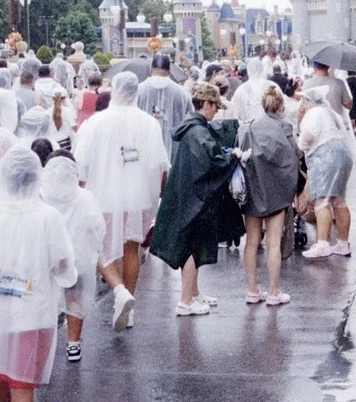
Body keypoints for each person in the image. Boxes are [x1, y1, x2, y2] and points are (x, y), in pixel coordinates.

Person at [0, 146, 77, 402]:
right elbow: (64, 267)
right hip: (32, 312)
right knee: (22, 384)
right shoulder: (48, 217)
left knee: (2, 377)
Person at [74, 72, 170, 332]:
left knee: (97, 246)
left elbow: (81, 163)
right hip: (138, 195)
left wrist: (80, 191)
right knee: (131, 248)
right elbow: (160, 164)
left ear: (114, 89)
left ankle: (119, 291)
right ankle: (128, 305)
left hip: (102, 195)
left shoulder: (96, 123)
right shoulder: (148, 124)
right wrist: (158, 192)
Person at [150, 82, 244, 316]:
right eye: (216, 107)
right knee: (192, 245)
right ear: (207, 104)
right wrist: (233, 156)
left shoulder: (192, 127)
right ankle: (185, 300)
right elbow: (213, 163)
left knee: (193, 243)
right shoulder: (198, 132)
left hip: (187, 194)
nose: (217, 111)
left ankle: (193, 293)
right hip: (196, 197)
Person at [41, 153, 105, 361]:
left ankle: (45, 346)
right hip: (77, 259)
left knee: (46, 302)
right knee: (75, 300)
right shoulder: (84, 196)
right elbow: (98, 228)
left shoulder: (40, 195)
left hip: (46, 260)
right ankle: (73, 345)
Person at [240, 84, 299, 304]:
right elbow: (295, 154)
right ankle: (274, 292)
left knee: (251, 241)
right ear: (281, 106)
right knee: (274, 243)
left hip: (252, 188)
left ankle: (252, 290)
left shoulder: (248, 126)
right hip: (277, 189)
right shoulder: (284, 127)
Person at [298, 86, 354, 259]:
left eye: (304, 101)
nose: (302, 105)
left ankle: (322, 244)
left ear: (310, 101)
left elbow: (308, 136)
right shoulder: (331, 113)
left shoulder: (314, 113)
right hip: (343, 155)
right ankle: (343, 243)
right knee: (339, 200)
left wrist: (300, 145)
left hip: (325, 157)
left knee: (322, 201)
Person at [137, 53, 193, 161]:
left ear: (150, 69)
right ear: (169, 70)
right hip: (175, 153)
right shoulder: (181, 93)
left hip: (145, 152)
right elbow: (190, 119)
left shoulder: (139, 91)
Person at [229, 57, 275, 123]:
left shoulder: (240, 90)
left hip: (247, 126)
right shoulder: (272, 86)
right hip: (271, 126)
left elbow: (234, 112)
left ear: (248, 71)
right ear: (262, 69)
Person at [46, 86, 75, 151]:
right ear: (64, 99)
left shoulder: (47, 112)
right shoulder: (68, 111)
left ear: (52, 99)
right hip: (65, 143)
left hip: (51, 143)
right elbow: (73, 127)